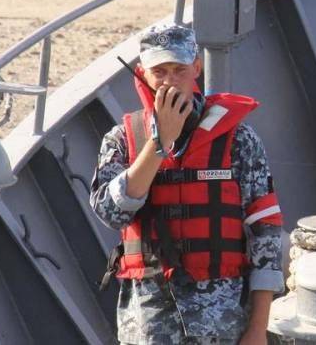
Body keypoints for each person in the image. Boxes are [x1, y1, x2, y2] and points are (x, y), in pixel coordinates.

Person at [90, 22, 284, 345]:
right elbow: (111, 213)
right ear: (141, 73)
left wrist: (258, 329)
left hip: (222, 326)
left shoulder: (238, 140)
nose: (169, 82)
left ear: (196, 68)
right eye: (159, 71)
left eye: (178, 69)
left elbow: (266, 235)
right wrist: (159, 143)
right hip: (147, 328)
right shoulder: (122, 141)